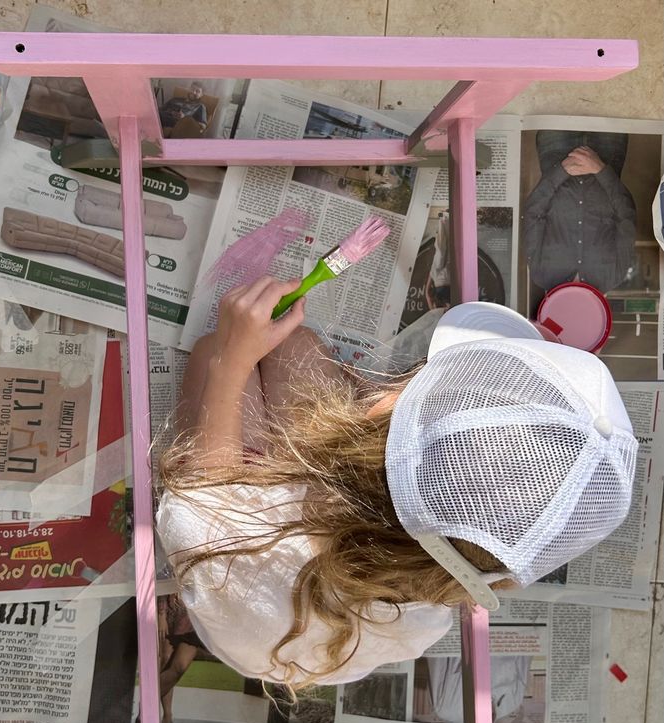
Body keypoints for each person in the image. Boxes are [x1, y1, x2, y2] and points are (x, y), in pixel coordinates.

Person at [156, 278, 637, 691]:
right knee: (296, 346)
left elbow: (205, 492)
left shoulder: (234, 549)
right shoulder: (430, 596)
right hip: (311, 566)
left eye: (417, 384)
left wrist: (233, 360)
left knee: (211, 351)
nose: (400, 380)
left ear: (378, 418)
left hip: (242, 554)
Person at [524, 130, 637, 294]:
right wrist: (600, 169)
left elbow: (533, 213)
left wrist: (561, 170)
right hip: (606, 155)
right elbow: (627, 216)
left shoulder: (541, 274)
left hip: (557, 154)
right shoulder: (613, 276)